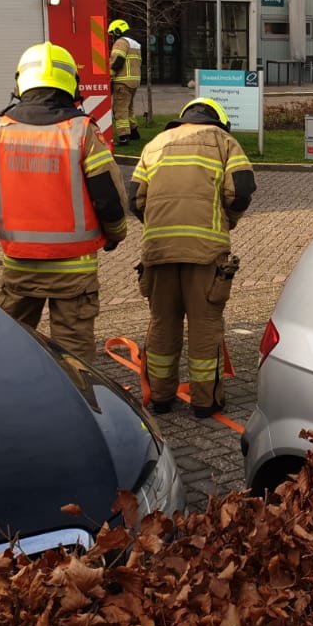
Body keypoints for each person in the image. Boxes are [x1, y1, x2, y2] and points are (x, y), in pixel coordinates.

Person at [0, 42, 130, 359]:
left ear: (21, 82)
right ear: (70, 82)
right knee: (74, 356)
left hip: (19, 263)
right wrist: (116, 234)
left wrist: (8, 232)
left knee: (12, 346)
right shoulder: (81, 131)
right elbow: (108, 198)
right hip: (74, 269)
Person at [132, 97, 256, 416]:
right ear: (218, 120)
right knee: (205, 325)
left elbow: (135, 199)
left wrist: (160, 226)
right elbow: (241, 190)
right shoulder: (224, 142)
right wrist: (227, 220)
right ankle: (205, 402)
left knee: (163, 323)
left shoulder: (154, 144)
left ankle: (160, 398)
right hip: (206, 253)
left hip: (158, 252)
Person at [108, 19, 143, 142]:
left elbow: (118, 60)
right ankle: (134, 132)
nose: (112, 37)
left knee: (120, 109)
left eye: (113, 33)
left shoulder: (121, 42)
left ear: (118, 31)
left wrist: (110, 74)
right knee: (129, 108)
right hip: (134, 81)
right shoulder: (135, 43)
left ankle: (124, 136)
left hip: (122, 81)